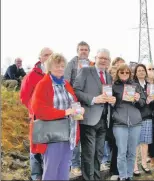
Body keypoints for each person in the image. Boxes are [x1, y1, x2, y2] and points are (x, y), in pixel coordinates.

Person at [31, 53, 84, 180]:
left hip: (69, 133)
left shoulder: (66, 84)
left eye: (62, 66)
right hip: (52, 136)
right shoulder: (43, 84)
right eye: (56, 66)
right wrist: (65, 112)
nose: (60, 68)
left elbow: (73, 102)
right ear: (49, 67)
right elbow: (38, 110)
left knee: (64, 170)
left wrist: (79, 110)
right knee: (51, 171)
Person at [73, 48, 115, 180]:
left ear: (109, 61)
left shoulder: (108, 75)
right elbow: (76, 90)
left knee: (99, 153)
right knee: (88, 154)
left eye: (106, 59)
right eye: (101, 58)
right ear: (95, 58)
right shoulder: (86, 71)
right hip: (89, 119)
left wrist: (112, 100)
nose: (103, 60)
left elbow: (108, 95)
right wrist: (93, 99)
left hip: (104, 120)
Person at [20, 47, 53, 181]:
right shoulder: (32, 75)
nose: (49, 57)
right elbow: (24, 97)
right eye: (46, 55)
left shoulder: (56, 74)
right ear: (40, 58)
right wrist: (35, 111)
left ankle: (48, 175)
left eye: (51, 55)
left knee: (49, 148)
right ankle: (36, 176)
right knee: (35, 148)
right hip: (37, 118)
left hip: (53, 118)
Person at [64, 41, 94, 177]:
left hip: (90, 104)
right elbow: (66, 82)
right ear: (77, 51)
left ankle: (86, 164)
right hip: (75, 103)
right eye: (81, 49)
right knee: (75, 134)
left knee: (87, 134)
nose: (83, 51)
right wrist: (73, 98)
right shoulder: (71, 63)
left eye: (86, 50)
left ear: (89, 52)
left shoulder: (92, 64)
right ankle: (74, 165)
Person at [111, 63, 146, 180]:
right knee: (121, 152)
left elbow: (143, 103)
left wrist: (137, 99)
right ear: (118, 73)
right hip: (119, 123)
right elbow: (109, 104)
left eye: (127, 72)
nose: (125, 74)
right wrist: (112, 101)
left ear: (130, 74)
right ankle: (123, 176)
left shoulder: (136, 85)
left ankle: (129, 175)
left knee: (132, 152)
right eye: (122, 72)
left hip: (135, 122)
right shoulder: (113, 86)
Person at [132, 64, 153, 176]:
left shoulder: (150, 85)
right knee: (135, 143)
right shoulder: (132, 85)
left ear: (145, 72)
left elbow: (153, 102)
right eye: (138, 70)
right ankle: (135, 166)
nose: (141, 72)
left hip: (147, 116)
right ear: (135, 73)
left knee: (145, 142)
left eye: (142, 70)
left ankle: (144, 164)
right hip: (136, 116)